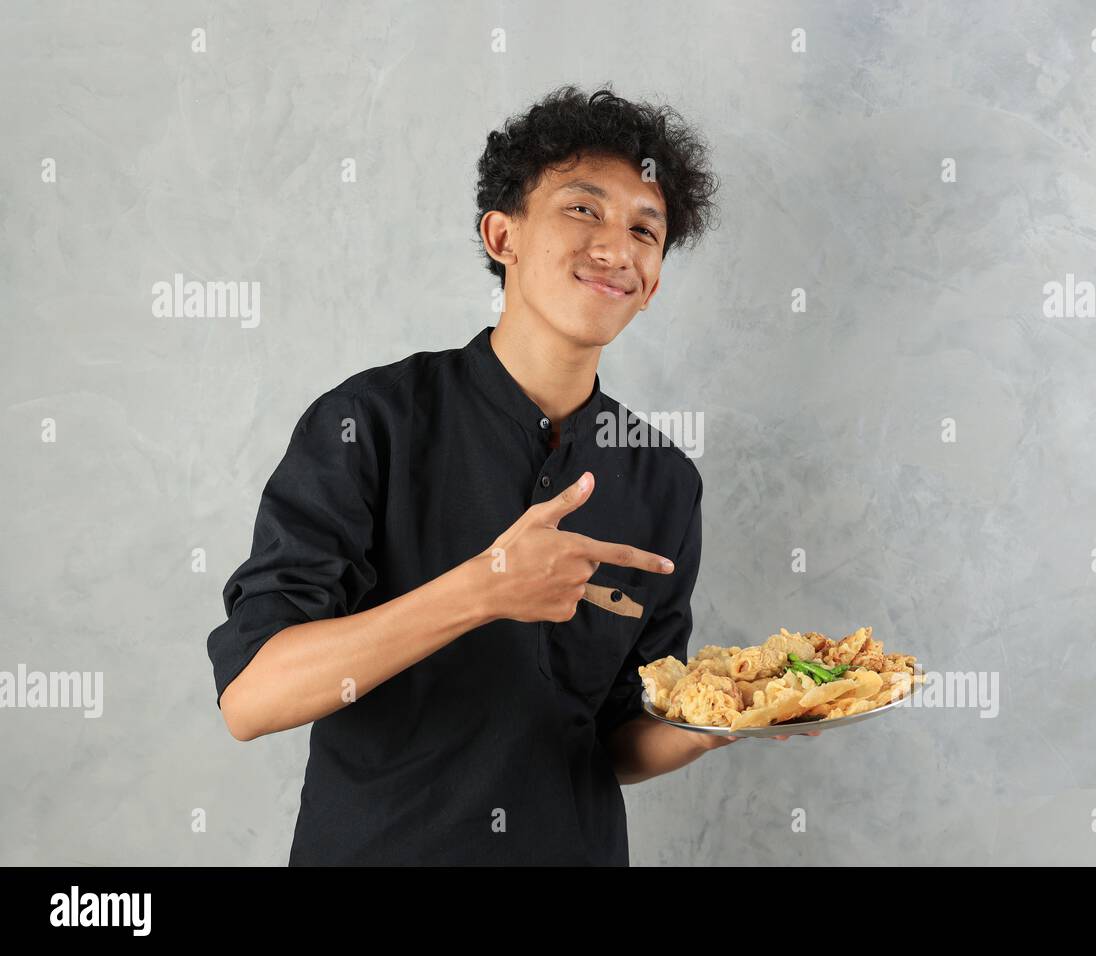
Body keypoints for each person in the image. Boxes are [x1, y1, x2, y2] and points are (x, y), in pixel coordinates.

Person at [206, 85, 815, 867]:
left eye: (644, 230)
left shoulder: (664, 481)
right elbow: (252, 697)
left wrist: (733, 717)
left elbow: (618, 738)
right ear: (504, 235)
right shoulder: (369, 423)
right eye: (583, 210)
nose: (615, 247)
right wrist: (484, 587)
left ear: (653, 281)